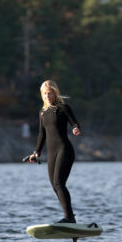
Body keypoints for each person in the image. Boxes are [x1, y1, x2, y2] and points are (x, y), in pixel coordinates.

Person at [27, 80, 82, 223]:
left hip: (65, 149)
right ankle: (70, 217)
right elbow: (42, 134)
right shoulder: (42, 113)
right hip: (52, 153)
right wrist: (36, 152)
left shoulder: (63, 108)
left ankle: (69, 217)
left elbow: (74, 123)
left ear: (55, 92)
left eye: (49, 93)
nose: (47, 96)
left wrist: (76, 128)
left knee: (59, 183)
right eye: (44, 93)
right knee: (55, 185)